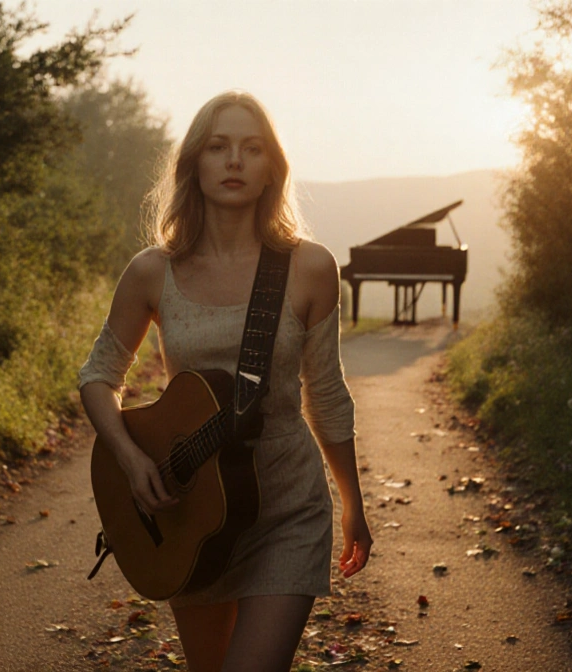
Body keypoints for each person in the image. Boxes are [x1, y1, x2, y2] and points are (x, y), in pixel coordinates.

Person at [77, 90, 372, 672]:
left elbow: (328, 395)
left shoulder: (309, 267)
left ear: (271, 170)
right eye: (218, 147)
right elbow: (98, 376)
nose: (234, 160)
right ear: (194, 165)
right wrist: (134, 463)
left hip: (288, 506)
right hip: (192, 515)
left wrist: (352, 503)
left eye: (251, 148)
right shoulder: (151, 273)